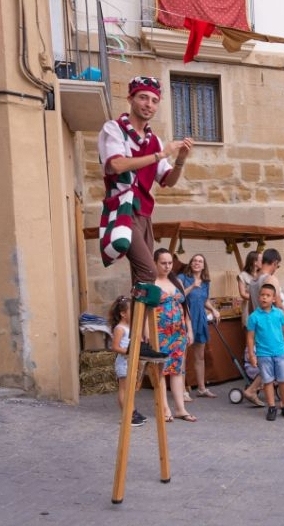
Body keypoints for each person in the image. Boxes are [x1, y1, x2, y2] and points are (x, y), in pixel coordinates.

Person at [97, 76, 193, 362]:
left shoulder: (154, 140)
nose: (148, 104)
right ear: (131, 99)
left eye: (153, 100)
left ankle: (141, 337)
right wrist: (159, 155)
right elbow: (116, 164)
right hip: (122, 210)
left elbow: (168, 180)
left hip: (144, 213)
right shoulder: (114, 129)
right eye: (143, 97)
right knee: (148, 272)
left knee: (141, 278)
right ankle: (139, 336)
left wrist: (180, 159)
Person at [153, 248, 195, 422]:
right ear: (155, 263)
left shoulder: (176, 281)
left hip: (178, 332)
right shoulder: (152, 283)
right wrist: (146, 332)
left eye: (170, 263)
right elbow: (145, 310)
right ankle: (165, 408)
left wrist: (189, 329)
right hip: (159, 333)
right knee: (161, 370)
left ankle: (180, 408)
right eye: (163, 263)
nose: (167, 266)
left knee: (177, 370)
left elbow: (185, 308)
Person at [247, 283, 284, 421]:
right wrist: (251, 354)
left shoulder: (279, 314)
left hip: (280, 352)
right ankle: (272, 407)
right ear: (259, 297)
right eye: (262, 295)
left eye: (268, 295)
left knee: (283, 380)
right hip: (263, 354)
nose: (264, 298)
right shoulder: (254, 317)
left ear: (274, 298)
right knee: (267, 381)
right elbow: (250, 337)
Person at [178, 254, 220, 399]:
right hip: (186, 319)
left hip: (200, 319)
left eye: (200, 261)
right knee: (183, 357)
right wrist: (192, 286)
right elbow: (178, 296)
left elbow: (204, 299)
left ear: (203, 266)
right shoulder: (182, 278)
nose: (197, 263)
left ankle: (201, 388)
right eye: (194, 261)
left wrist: (213, 309)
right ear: (191, 263)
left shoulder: (205, 282)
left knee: (200, 356)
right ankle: (182, 390)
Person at [109, 295, 148, 427]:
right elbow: (115, 347)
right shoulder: (119, 329)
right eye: (133, 310)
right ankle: (127, 416)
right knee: (124, 389)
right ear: (123, 314)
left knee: (130, 389)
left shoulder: (131, 327)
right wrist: (129, 352)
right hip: (124, 362)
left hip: (131, 362)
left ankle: (133, 411)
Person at [237, 250, 262, 330]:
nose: (263, 262)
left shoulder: (262, 274)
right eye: (261, 260)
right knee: (250, 330)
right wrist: (256, 298)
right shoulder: (243, 276)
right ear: (255, 262)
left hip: (261, 306)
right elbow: (242, 294)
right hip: (248, 307)